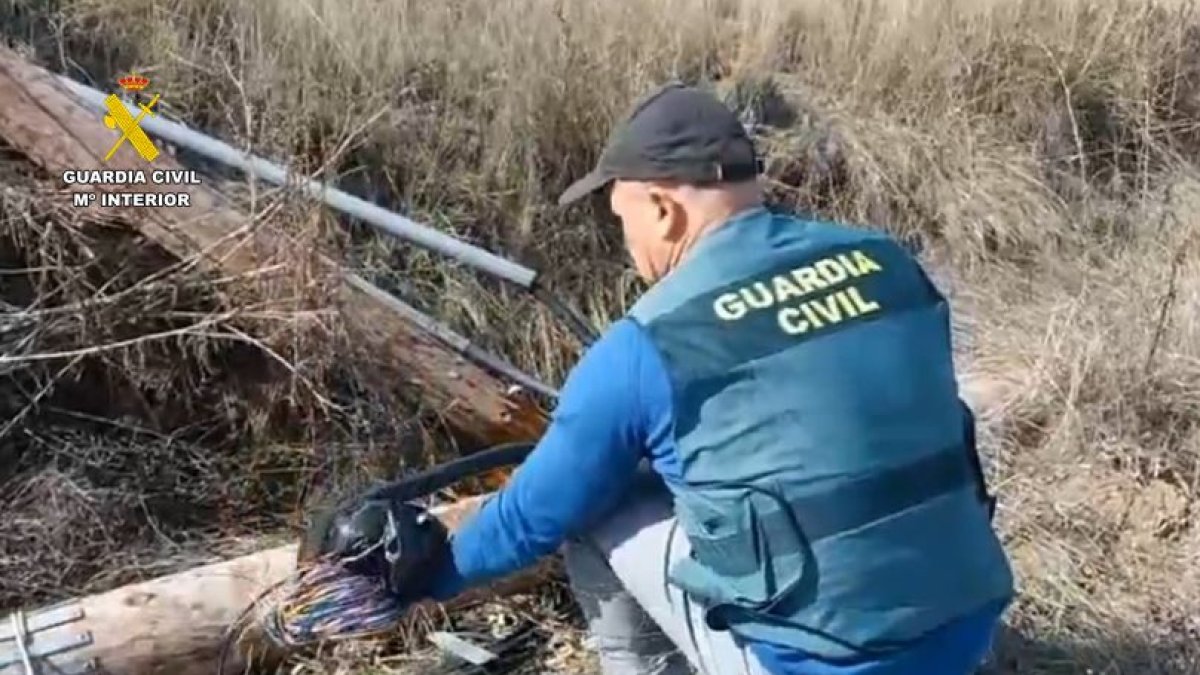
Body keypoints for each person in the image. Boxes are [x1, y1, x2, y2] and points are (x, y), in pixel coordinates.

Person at [326, 82, 1017, 675]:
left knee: (597, 504)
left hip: (821, 663)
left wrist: (419, 578)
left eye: (622, 220)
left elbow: (537, 513)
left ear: (663, 209)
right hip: (965, 631)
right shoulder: (887, 262)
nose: (629, 248)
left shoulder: (647, 344)